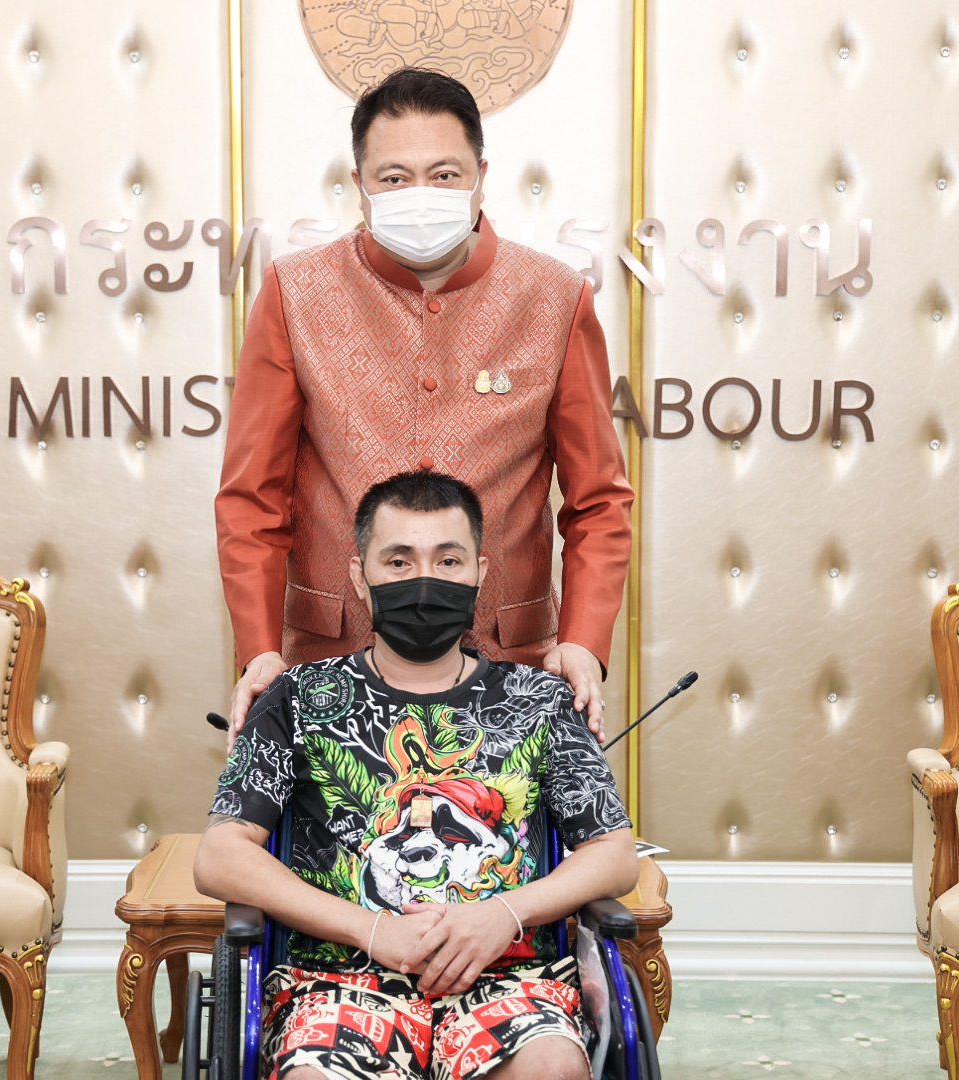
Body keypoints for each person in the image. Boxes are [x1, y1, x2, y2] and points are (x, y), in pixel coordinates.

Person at [215, 67, 633, 743]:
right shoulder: (295, 292)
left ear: (480, 177)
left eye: (444, 175)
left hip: (511, 670)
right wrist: (260, 647)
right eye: (394, 177)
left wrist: (583, 640)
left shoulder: (555, 298)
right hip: (332, 666)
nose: (420, 196)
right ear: (359, 185)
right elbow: (252, 499)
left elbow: (598, 501)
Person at [195, 470, 638, 1080]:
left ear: (480, 571)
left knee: (553, 1066)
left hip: (511, 981)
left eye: (448, 560)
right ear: (361, 576)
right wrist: (372, 930)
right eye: (399, 561)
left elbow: (614, 854)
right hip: (338, 983)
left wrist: (503, 915)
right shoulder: (297, 698)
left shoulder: (539, 700)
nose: (424, 581)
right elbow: (219, 856)